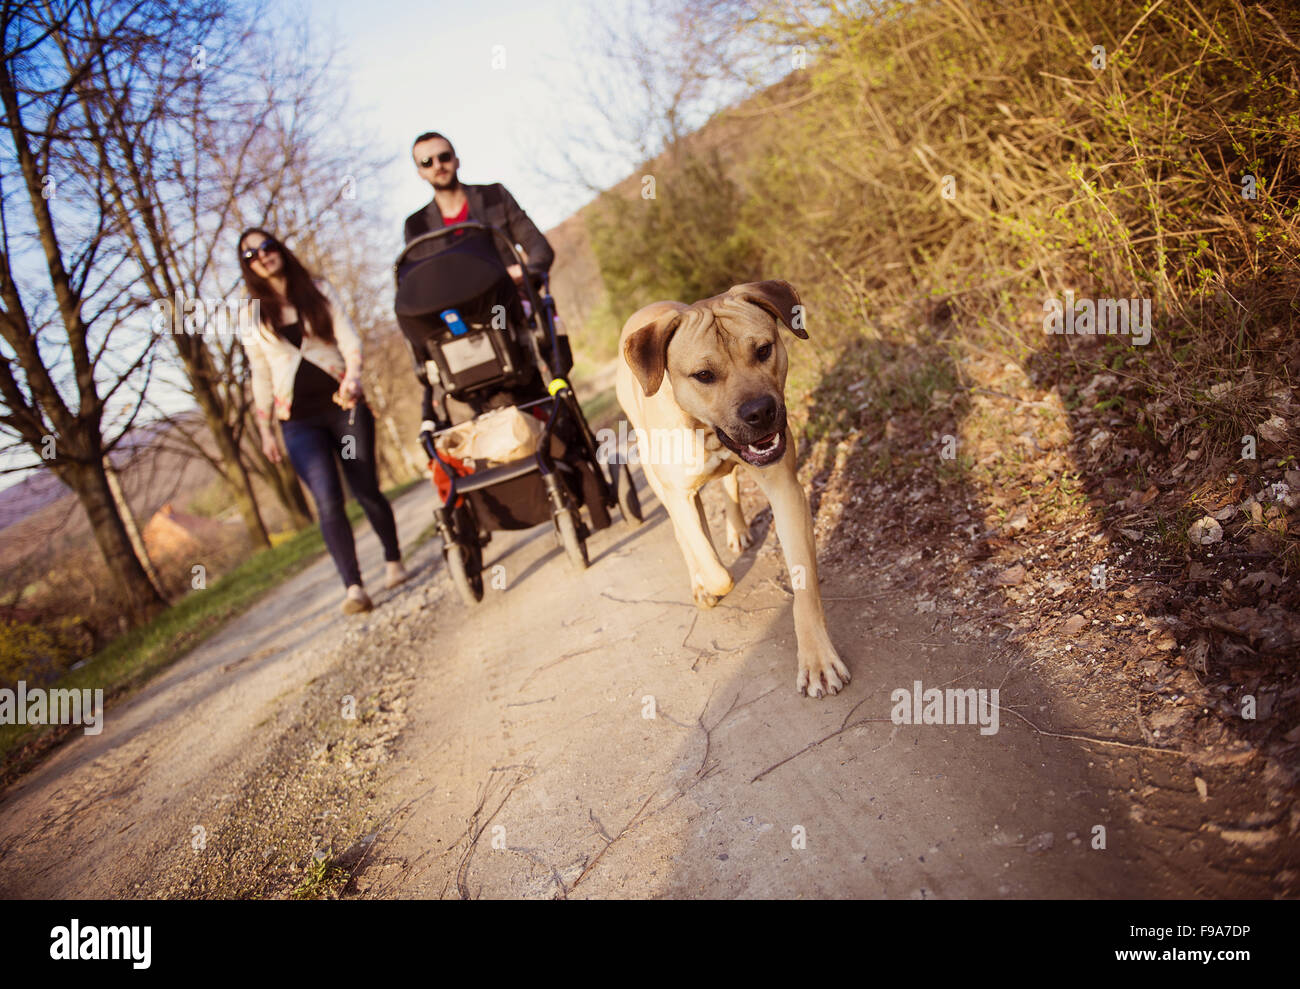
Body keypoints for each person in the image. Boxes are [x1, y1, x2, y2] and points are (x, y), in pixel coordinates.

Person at [237, 228, 407, 614]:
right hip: (297, 422)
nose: (262, 256)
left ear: (279, 250)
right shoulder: (252, 316)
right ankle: (354, 588)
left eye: (267, 247)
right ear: (248, 267)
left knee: (366, 490)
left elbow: (350, 341)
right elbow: (260, 373)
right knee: (327, 501)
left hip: (342, 406)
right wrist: (265, 430)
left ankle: (393, 558)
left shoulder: (318, 291)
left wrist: (353, 377)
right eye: (251, 255)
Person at [404, 131, 557, 430]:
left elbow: (540, 249)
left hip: (513, 312)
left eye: (444, 156)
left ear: (456, 159)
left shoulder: (494, 196)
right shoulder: (416, 226)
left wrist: (521, 274)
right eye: (427, 161)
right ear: (420, 172)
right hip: (460, 332)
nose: (438, 165)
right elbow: (418, 284)